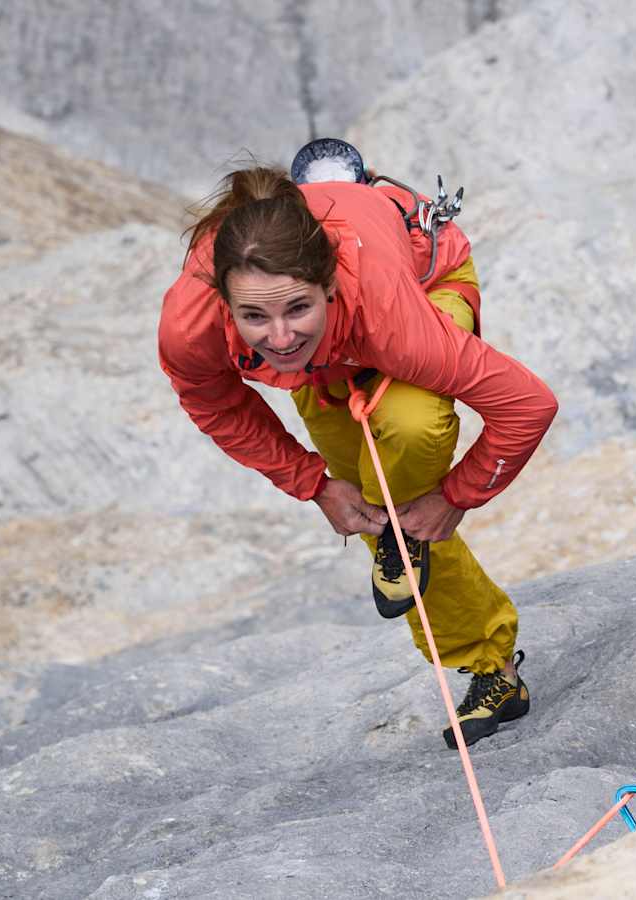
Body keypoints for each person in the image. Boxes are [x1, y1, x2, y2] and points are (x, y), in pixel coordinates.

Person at [158, 165, 558, 747]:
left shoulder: (389, 317)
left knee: (410, 427)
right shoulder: (189, 327)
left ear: (328, 286)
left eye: (296, 307)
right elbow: (215, 403)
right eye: (253, 317)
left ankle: (419, 556)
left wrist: (454, 499)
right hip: (333, 357)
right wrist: (314, 484)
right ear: (223, 301)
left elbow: (528, 405)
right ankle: (489, 667)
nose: (278, 337)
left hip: (422, 285)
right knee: (377, 509)